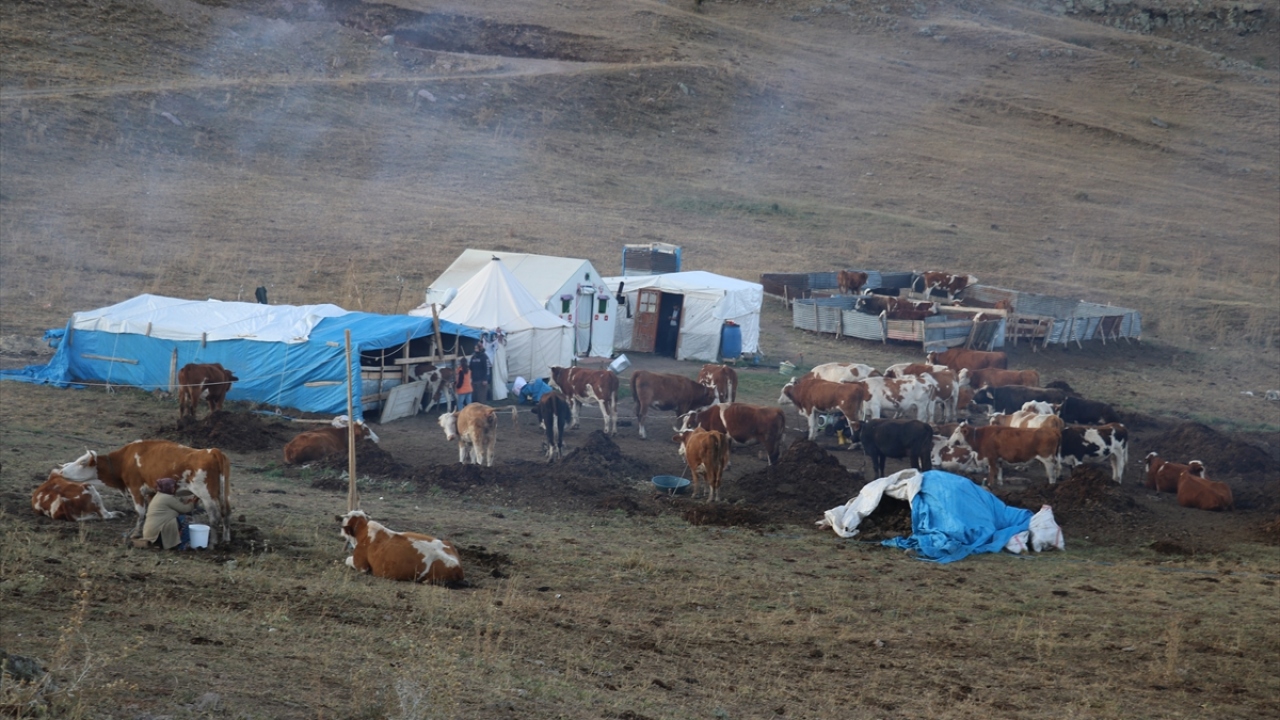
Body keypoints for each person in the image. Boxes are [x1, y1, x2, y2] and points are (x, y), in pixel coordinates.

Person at [138, 478, 199, 550]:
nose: (174, 489)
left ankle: (177, 541)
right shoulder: (167, 497)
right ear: (167, 487)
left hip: (151, 534)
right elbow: (185, 509)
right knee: (187, 519)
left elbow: (177, 508)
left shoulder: (159, 496)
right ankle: (184, 545)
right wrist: (193, 503)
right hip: (157, 535)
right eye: (172, 487)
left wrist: (188, 504)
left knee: (179, 519)